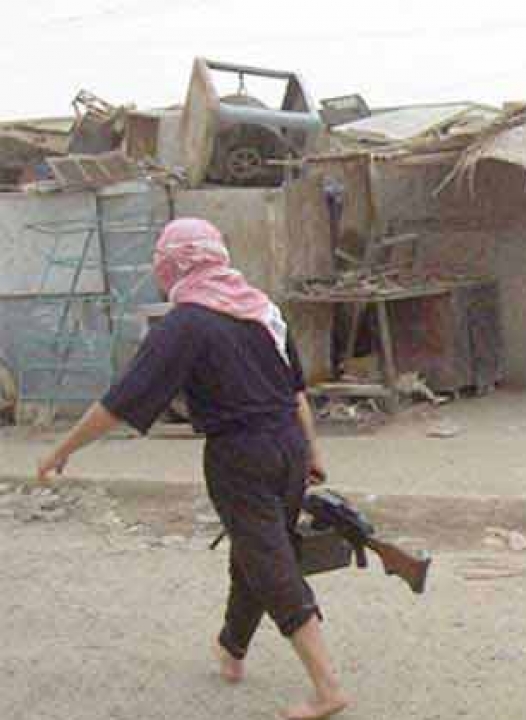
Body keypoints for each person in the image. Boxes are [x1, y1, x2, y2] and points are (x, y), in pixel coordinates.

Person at [36, 218, 351, 720]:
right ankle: (232, 648)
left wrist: (61, 450)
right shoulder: (262, 309)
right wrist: (312, 452)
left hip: (240, 457)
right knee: (254, 551)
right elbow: (296, 392)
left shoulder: (185, 324)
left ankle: (327, 687)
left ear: (175, 264)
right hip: (289, 447)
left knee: (269, 561)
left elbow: (121, 402)